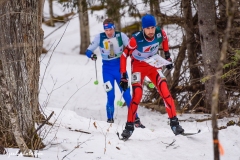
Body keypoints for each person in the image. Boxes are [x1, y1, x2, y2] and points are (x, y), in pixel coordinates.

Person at [119, 14, 184, 139]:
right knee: (137, 94)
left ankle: (175, 124)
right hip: (138, 66)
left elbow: (165, 39)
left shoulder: (160, 33)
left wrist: (167, 56)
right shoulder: (135, 39)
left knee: (165, 91)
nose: (150, 31)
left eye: (152, 27)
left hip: (153, 64)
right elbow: (123, 55)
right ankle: (129, 126)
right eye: (147, 28)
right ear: (143, 28)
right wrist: (123, 75)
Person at [85, 18, 145, 128]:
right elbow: (88, 51)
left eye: (110, 29)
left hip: (120, 70)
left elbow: (131, 47)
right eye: (106, 30)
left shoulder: (121, 36)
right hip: (107, 71)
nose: (109, 32)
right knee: (110, 95)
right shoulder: (100, 37)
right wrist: (91, 55)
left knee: (127, 95)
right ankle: (109, 120)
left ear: (114, 28)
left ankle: (136, 119)